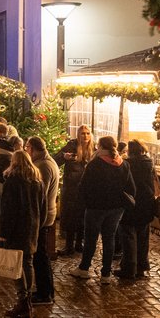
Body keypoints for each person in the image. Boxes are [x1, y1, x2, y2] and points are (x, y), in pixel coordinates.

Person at [70, 135, 135, 284]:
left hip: (96, 207)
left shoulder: (95, 164)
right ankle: (106, 274)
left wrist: (84, 203)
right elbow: (131, 188)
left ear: (100, 146)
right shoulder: (123, 164)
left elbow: (84, 186)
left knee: (91, 238)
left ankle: (84, 269)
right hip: (116, 208)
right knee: (109, 238)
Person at [0, 149, 44, 318]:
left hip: (17, 228)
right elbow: (43, 205)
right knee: (28, 262)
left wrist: (3, 232)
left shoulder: (12, 181)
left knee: (16, 264)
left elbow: (7, 209)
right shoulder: (37, 180)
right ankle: (27, 300)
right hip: (32, 226)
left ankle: (23, 301)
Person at [116, 140, 155, 280]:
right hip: (147, 204)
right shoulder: (148, 163)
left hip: (131, 203)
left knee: (128, 236)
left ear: (130, 151)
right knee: (143, 236)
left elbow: (123, 184)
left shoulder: (127, 164)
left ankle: (129, 268)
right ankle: (141, 267)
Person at [26, 136, 59, 306]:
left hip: (44, 216)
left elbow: (40, 195)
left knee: (41, 256)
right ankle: (46, 290)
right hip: (45, 214)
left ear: (32, 148)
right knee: (41, 255)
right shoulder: (46, 161)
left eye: (27, 148)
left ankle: (45, 293)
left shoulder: (43, 166)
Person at [54, 124, 94, 254]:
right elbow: (56, 160)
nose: (85, 136)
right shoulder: (71, 145)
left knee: (82, 217)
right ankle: (69, 245)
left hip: (86, 189)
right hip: (71, 189)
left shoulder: (94, 148)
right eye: (82, 133)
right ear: (78, 135)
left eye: (87, 133)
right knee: (70, 217)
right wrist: (63, 157)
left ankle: (79, 243)